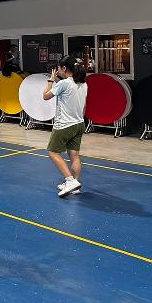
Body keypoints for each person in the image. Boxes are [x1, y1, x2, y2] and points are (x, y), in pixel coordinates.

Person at [43, 55, 88, 197]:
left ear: (63, 68)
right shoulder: (83, 84)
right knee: (74, 155)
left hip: (64, 125)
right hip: (79, 123)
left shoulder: (63, 84)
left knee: (52, 152)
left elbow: (45, 96)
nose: (57, 70)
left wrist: (51, 81)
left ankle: (70, 181)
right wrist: (57, 81)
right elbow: (83, 105)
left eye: (58, 68)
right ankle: (75, 184)